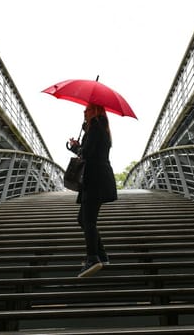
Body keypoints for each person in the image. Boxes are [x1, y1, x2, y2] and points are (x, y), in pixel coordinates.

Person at [67, 103, 117, 277]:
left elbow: (86, 154)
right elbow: (89, 151)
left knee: (88, 220)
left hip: (96, 180)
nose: (84, 112)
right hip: (96, 179)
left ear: (95, 111)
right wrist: (79, 144)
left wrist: (76, 147)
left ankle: (92, 258)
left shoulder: (96, 128)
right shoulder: (98, 129)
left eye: (87, 109)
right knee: (83, 219)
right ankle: (101, 255)